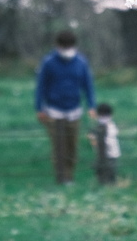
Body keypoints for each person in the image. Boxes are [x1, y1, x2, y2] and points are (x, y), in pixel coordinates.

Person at [35, 30, 96, 184]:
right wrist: (39, 108)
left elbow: (88, 85)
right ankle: (61, 178)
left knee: (72, 147)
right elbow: (41, 86)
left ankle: (70, 176)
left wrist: (91, 105)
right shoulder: (48, 62)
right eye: (64, 46)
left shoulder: (81, 62)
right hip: (54, 111)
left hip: (74, 110)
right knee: (59, 147)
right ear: (58, 46)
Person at [87, 102, 120, 185]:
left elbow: (93, 136)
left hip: (109, 154)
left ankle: (109, 184)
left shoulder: (108, 126)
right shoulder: (108, 125)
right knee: (104, 171)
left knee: (108, 171)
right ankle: (106, 184)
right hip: (106, 154)